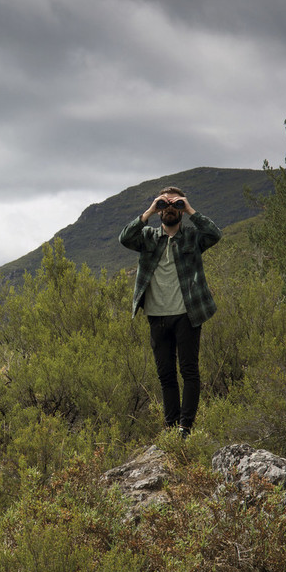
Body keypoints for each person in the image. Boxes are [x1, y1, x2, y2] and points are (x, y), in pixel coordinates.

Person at [119, 186, 222, 437]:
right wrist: (150, 210)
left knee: (189, 371)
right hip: (156, 315)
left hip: (187, 314)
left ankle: (185, 428)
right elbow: (125, 238)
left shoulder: (192, 238)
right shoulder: (148, 237)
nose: (169, 210)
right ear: (158, 211)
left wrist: (189, 208)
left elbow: (214, 234)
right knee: (165, 374)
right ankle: (170, 427)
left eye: (174, 206)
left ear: (181, 211)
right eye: (164, 206)